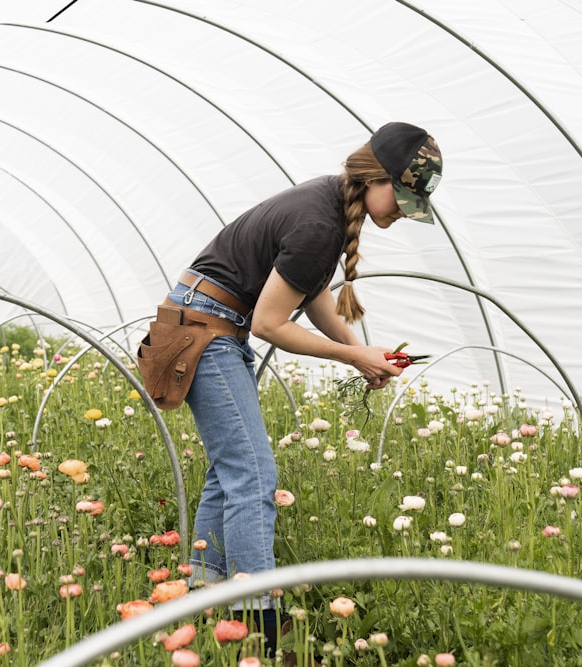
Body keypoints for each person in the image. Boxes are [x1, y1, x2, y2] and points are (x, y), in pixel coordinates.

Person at [168, 121, 442, 655]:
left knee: (231, 473)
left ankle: (202, 594)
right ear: (376, 177)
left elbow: (309, 292)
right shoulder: (321, 221)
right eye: (401, 197)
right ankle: (258, 627)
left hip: (205, 323)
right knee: (252, 475)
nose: (400, 212)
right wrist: (354, 354)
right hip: (206, 331)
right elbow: (271, 323)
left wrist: (361, 354)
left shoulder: (331, 201)